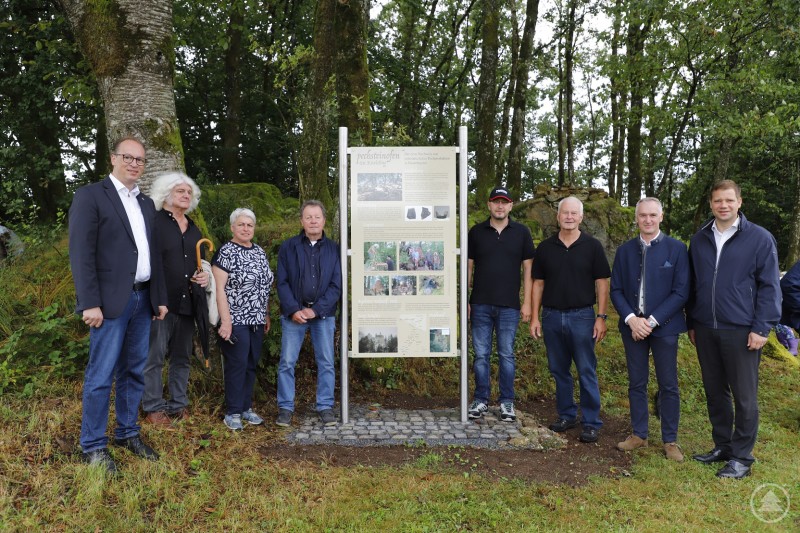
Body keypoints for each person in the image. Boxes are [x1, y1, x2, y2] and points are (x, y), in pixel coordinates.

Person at [69, 137, 167, 474]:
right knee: (101, 375)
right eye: (129, 157)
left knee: (134, 372)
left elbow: (154, 255)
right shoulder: (91, 196)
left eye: (140, 159)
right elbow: (81, 255)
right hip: (109, 304)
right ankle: (93, 446)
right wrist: (90, 303)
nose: (135, 164)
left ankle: (127, 433)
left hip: (142, 299)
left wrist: (159, 298)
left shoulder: (146, 204)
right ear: (113, 158)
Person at [687, 180, 781, 479]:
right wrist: (691, 322)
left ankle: (742, 457)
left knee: (745, 397)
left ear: (740, 202)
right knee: (715, 393)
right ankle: (723, 446)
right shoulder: (699, 239)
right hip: (705, 327)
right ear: (711, 204)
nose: (723, 205)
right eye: (717, 201)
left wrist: (762, 327)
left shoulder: (760, 239)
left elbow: (770, 286)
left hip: (742, 329)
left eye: (729, 200)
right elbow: (693, 285)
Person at [610, 197, 689, 461]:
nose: (647, 220)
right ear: (636, 218)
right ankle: (639, 434)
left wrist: (651, 321)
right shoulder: (624, 251)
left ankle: (670, 440)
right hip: (633, 327)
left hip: (664, 327)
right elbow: (616, 290)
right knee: (637, 382)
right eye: (643, 215)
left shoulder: (677, 250)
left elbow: (681, 292)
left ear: (661, 217)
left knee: (668, 384)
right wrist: (632, 319)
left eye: (653, 215)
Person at [530, 196, 611, 443]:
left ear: (581, 217)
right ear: (558, 217)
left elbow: (602, 283)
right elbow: (538, 284)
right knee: (558, 370)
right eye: (565, 213)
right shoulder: (545, 248)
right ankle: (566, 415)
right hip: (552, 316)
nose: (569, 217)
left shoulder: (593, 247)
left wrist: (601, 317)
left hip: (583, 317)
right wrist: (535, 317)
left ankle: (590, 422)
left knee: (586, 369)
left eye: (573, 213)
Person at [141, 172, 208, 429]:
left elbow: (201, 264)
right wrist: (156, 299)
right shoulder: (154, 223)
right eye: (180, 191)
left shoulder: (194, 229)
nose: (186, 195)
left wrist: (204, 277)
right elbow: (150, 263)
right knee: (154, 357)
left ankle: (178, 404)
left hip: (188, 303)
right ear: (166, 194)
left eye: (189, 192)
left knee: (182, 357)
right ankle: (153, 408)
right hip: (161, 302)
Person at [467, 186, 535, 422]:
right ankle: (481, 400)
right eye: (496, 201)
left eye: (504, 202)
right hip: (480, 305)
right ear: (489, 205)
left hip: (509, 306)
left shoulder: (522, 233)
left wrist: (527, 302)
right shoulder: (476, 232)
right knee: (481, 355)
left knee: (506, 355)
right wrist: (465, 300)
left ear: (511, 205)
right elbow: (468, 267)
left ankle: (507, 402)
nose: (500, 206)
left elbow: (528, 269)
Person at [275, 200, 342, 427]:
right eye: (308, 217)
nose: (313, 221)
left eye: (317, 217)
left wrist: (315, 310)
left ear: (324, 220)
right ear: (301, 221)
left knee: (326, 362)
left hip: (323, 315)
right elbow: (281, 282)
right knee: (286, 362)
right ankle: (285, 407)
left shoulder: (334, 249)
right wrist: (294, 309)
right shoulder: (288, 247)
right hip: (293, 315)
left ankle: (325, 406)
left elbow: (336, 285)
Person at [212, 208, 274, 431]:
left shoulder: (259, 251)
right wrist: (226, 321)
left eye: (250, 225)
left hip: (257, 319)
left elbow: (264, 286)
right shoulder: (226, 252)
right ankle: (233, 411)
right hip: (236, 319)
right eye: (241, 224)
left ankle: (246, 408)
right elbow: (220, 289)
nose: (246, 228)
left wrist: (265, 313)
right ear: (232, 227)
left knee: (250, 365)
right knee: (236, 365)